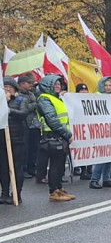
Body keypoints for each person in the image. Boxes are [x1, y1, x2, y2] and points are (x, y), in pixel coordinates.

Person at [35, 74, 75, 202]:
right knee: (55, 166)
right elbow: (52, 120)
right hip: (52, 136)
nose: (58, 86)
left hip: (59, 136)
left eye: (59, 84)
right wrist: (67, 134)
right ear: (48, 86)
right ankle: (54, 191)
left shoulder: (56, 98)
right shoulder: (45, 99)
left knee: (60, 165)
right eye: (55, 84)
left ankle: (59, 188)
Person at [1, 77, 32, 204]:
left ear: (14, 89)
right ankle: (4, 193)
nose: (7, 89)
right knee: (3, 167)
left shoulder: (21, 100)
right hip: (2, 139)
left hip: (17, 138)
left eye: (10, 87)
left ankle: (16, 193)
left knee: (16, 167)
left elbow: (24, 113)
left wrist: (10, 110)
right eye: (5, 87)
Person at [17, 73, 41, 179]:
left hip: (34, 124)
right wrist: (35, 105)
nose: (31, 84)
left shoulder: (31, 93)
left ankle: (32, 167)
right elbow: (24, 108)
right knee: (25, 148)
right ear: (22, 84)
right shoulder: (18, 95)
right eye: (29, 83)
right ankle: (24, 168)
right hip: (25, 124)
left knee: (34, 148)